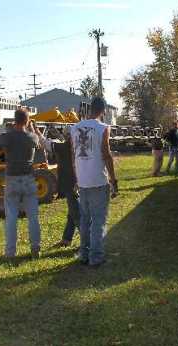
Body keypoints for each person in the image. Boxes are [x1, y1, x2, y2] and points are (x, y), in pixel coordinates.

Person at [70, 97, 118, 267]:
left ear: (90, 109)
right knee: (98, 220)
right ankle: (96, 257)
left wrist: (76, 178)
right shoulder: (103, 128)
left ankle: (84, 253)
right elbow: (106, 155)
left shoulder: (74, 128)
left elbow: (73, 155)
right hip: (98, 179)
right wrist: (113, 179)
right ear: (103, 110)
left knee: (85, 219)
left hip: (82, 180)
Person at [0, 109, 42, 259]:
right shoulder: (32, 137)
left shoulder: (6, 137)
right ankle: (35, 249)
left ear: (14, 120)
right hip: (28, 178)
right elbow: (37, 142)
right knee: (33, 217)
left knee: (11, 218)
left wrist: (9, 129)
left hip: (12, 178)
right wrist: (31, 128)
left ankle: (10, 253)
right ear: (27, 120)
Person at [40, 126, 80, 248]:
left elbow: (46, 144)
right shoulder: (77, 147)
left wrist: (35, 131)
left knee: (76, 213)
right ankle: (66, 239)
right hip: (78, 183)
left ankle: (87, 242)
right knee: (72, 213)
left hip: (70, 184)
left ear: (68, 136)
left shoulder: (64, 147)